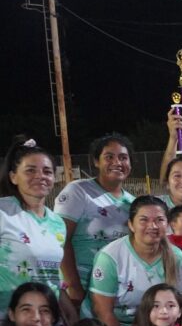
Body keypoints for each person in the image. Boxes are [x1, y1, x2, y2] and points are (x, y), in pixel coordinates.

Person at [85, 196, 182, 326]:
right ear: (131, 225)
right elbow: (103, 312)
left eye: (159, 220)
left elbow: (180, 305)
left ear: (167, 225)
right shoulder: (110, 257)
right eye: (144, 220)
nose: (152, 226)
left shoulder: (177, 256)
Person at [55, 133, 135, 310]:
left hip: (116, 292)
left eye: (123, 157)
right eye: (109, 157)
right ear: (96, 161)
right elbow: (60, 239)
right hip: (81, 289)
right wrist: (74, 286)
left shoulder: (133, 203)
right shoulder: (78, 191)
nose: (117, 162)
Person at [0, 138, 67, 318]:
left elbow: (53, 276)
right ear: (13, 177)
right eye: (30, 170)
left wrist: (68, 312)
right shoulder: (3, 212)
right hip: (8, 322)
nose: (40, 176)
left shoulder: (57, 223)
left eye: (47, 171)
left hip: (46, 323)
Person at [1, 282, 67, 326]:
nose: (36, 318)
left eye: (45, 310)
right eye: (26, 309)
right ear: (12, 315)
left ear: (53, 318)